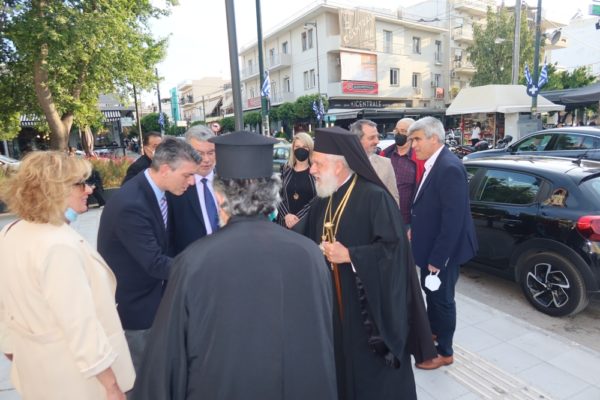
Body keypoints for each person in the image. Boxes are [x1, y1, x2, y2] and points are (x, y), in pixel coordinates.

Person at [135, 131, 337, 400]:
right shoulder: (309, 253)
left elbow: (167, 360)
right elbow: (323, 339)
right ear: (272, 194)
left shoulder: (195, 261)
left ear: (220, 197)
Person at [296, 126, 436, 400]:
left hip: (368, 315)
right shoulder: (324, 197)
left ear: (338, 166)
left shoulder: (375, 197)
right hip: (334, 309)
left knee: (370, 379)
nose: (312, 170)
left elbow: (395, 253)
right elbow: (301, 238)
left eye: (317, 163)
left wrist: (351, 255)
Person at [0, 151, 135, 400]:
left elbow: (5, 305)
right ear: (55, 189)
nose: (89, 189)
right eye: (80, 183)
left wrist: (11, 346)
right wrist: (111, 386)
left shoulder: (12, 231)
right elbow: (80, 325)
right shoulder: (57, 246)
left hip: (37, 374)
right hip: (78, 382)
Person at [97, 138, 201, 381]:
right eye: (187, 175)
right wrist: (204, 268)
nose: (191, 182)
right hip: (138, 314)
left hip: (155, 304)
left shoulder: (155, 193)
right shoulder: (131, 204)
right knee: (146, 382)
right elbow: (155, 263)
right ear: (165, 169)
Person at [408, 117, 478, 370]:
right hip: (430, 247)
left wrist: (438, 260)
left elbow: (453, 221)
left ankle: (445, 352)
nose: (413, 145)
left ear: (434, 138)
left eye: (417, 139)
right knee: (433, 295)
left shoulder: (449, 167)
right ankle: (433, 332)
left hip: (443, 253)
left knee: (443, 300)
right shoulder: (434, 163)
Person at [168, 125, 219, 255]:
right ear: (186, 154)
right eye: (199, 153)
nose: (206, 159)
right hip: (190, 261)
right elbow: (169, 236)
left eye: (211, 153)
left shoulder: (230, 180)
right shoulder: (174, 187)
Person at [381, 118, 424, 226]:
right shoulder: (385, 155)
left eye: (403, 131)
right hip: (384, 217)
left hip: (407, 222)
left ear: (412, 134)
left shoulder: (420, 159)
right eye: (397, 130)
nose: (399, 134)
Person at [349, 119, 400, 205]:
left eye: (377, 137)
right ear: (357, 140)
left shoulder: (385, 163)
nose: (377, 141)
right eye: (371, 138)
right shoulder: (343, 164)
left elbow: (393, 198)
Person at [276, 132, 317, 229]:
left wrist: (298, 218)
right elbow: (277, 195)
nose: (300, 149)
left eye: (304, 147)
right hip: (284, 225)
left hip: (307, 225)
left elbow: (317, 199)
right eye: (297, 146)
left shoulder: (316, 172)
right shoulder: (285, 169)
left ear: (310, 149)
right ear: (293, 149)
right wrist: (286, 215)